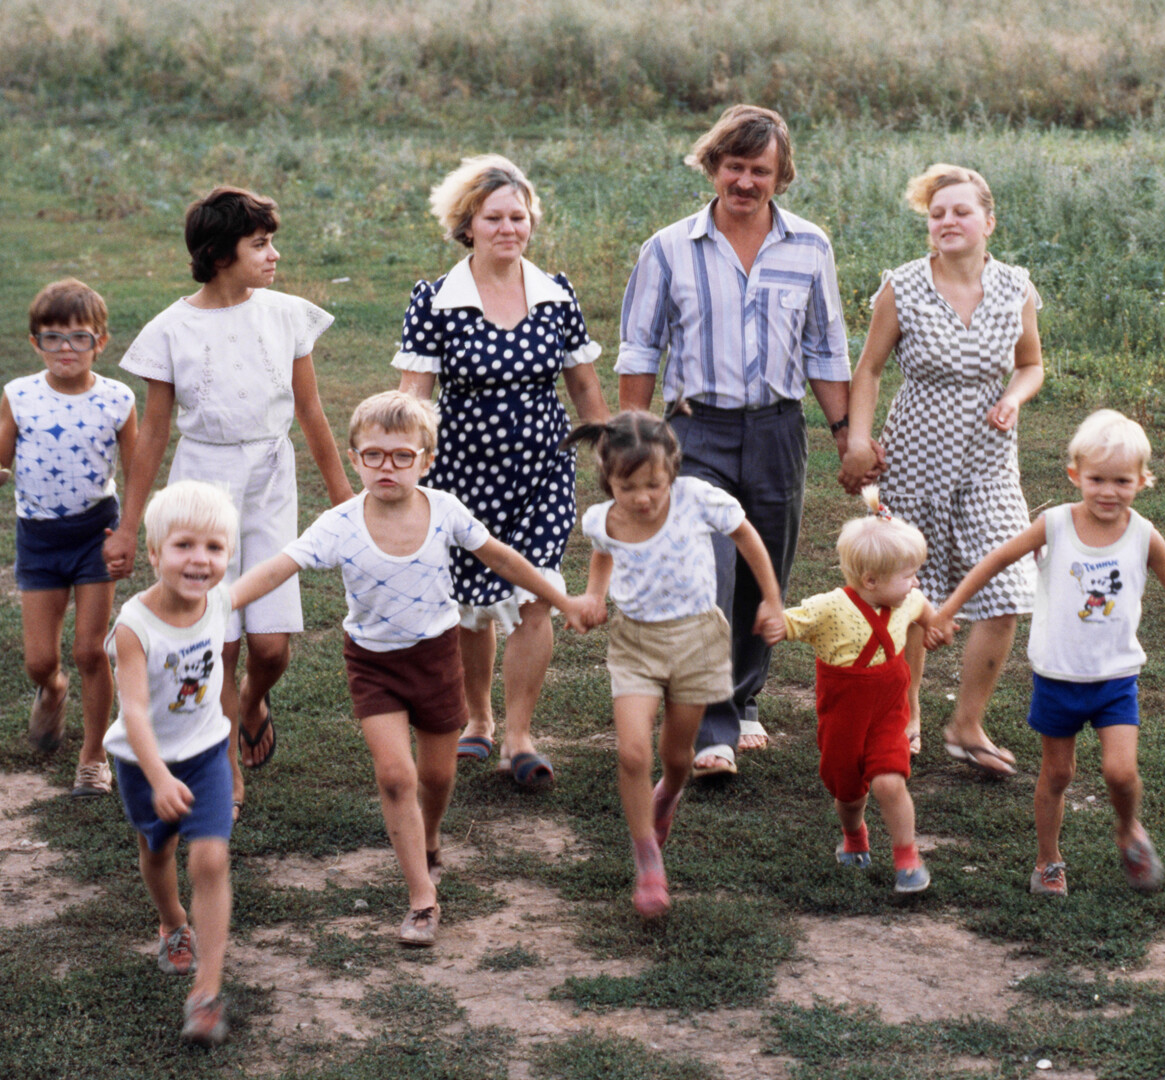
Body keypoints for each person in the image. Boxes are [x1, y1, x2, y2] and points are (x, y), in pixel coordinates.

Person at [230, 392, 591, 945]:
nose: (387, 467)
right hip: (372, 664)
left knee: (438, 778)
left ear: (426, 459)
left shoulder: (445, 511)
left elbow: (502, 558)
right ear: (354, 459)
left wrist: (562, 601)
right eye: (373, 455)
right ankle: (422, 898)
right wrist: (215, 607)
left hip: (436, 658)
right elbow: (279, 567)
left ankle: (429, 836)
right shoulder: (339, 523)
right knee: (397, 777)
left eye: (402, 456)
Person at [616, 104, 853, 777]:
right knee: (708, 569)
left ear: (780, 177)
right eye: (734, 166)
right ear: (713, 166)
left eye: (761, 171)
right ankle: (710, 728)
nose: (745, 182)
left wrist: (845, 437)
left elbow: (826, 348)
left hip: (778, 429)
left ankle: (744, 699)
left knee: (762, 570)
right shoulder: (668, 248)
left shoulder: (810, 246)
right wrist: (635, 443)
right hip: (696, 433)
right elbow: (640, 348)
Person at [106, 186, 355, 817]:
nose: (274, 255)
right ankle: (221, 766)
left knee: (269, 648)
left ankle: (252, 700)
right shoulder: (171, 330)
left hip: (271, 477)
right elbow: (154, 434)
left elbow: (310, 410)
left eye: (271, 242)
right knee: (220, 640)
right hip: (203, 482)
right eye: (261, 244)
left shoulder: (286, 314)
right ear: (220, 254)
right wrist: (129, 526)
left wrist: (344, 496)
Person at [927, 410, 1165, 897]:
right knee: (1057, 774)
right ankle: (1048, 861)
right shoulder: (1055, 525)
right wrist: (947, 609)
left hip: (1115, 679)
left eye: (1122, 481)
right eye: (1096, 479)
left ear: (1143, 481)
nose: (1108, 491)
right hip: (1058, 677)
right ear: (1075, 476)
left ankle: (1128, 829)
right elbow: (996, 560)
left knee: (1120, 772)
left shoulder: (1144, 536)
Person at [395, 154, 611, 791]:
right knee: (469, 605)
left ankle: (518, 733)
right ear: (468, 225)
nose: (509, 228)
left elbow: (585, 390)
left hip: (542, 469)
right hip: (460, 473)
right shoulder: (436, 300)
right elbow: (413, 396)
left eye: (519, 216)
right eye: (495, 217)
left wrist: (615, 463)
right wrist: (400, 469)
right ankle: (478, 718)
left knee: (537, 594)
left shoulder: (556, 295)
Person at [838, 164, 1045, 777]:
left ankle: (967, 723)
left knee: (1005, 591)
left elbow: (1032, 363)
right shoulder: (901, 287)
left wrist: (1014, 396)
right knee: (906, 591)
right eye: (937, 214)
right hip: (913, 461)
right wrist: (857, 438)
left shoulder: (1017, 288)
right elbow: (870, 368)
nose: (948, 222)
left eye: (960, 211)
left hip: (987, 464)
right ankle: (907, 715)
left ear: (988, 220)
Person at [567, 411, 784, 917]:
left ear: (673, 472)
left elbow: (748, 537)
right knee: (631, 753)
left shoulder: (699, 499)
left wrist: (771, 599)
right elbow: (603, 551)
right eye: (628, 486)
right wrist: (594, 595)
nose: (642, 497)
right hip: (635, 643)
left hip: (698, 640)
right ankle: (646, 856)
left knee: (677, 756)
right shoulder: (602, 519)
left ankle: (667, 795)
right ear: (607, 479)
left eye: (654, 485)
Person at [0, 278, 138, 796]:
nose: (66, 348)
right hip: (37, 538)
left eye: (79, 337)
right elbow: (0, 465)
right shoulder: (19, 395)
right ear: (35, 342)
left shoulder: (118, 400)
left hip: (94, 532)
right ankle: (53, 691)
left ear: (100, 342)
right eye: (52, 337)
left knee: (89, 651)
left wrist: (129, 531)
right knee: (40, 661)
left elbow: (135, 471)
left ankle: (93, 756)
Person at [102, 480, 241, 1046]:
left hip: (207, 752)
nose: (199, 560)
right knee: (157, 850)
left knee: (210, 858)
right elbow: (132, 709)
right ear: (154, 553)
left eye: (214, 548)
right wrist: (157, 776)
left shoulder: (223, 598)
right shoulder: (134, 627)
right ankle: (172, 923)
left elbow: (277, 569)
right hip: (145, 763)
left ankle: (206, 992)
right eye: (184, 546)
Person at [777, 491, 946, 893]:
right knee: (848, 793)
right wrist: (767, 626)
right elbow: (789, 623)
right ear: (871, 580)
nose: (916, 582)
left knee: (890, 781)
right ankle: (854, 836)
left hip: (887, 714)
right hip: (843, 719)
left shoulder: (905, 599)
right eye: (909, 574)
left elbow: (923, 609)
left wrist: (937, 626)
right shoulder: (829, 607)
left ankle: (907, 858)